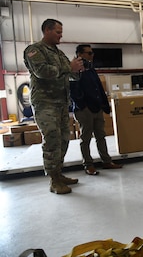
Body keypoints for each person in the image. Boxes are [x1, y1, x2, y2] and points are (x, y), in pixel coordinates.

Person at [23, 18, 85, 194]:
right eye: (58, 32)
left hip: (61, 103)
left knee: (64, 139)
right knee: (51, 139)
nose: (61, 35)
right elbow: (41, 72)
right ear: (47, 30)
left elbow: (71, 75)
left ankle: (58, 173)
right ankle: (53, 180)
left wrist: (78, 70)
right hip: (45, 103)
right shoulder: (34, 50)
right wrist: (68, 67)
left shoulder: (58, 53)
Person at [70, 44, 123, 175]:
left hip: (97, 108)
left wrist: (104, 105)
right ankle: (88, 164)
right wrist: (83, 105)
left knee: (101, 136)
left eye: (92, 53)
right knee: (86, 138)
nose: (92, 55)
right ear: (80, 55)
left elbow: (98, 87)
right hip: (85, 110)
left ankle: (106, 161)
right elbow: (73, 91)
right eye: (89, 53)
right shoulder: (74, 70)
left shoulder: (91, 69)